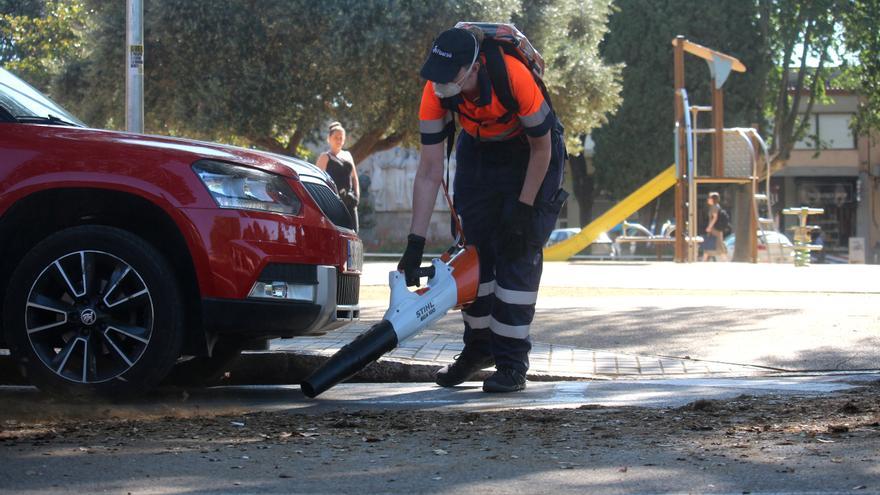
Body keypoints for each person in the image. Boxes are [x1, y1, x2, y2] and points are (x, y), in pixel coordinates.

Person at [397, 26, 567, 393]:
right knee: (474, 255)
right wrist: (415, 242)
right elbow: (429, 171)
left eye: (449, 78)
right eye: (436, 78)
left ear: (473, 68)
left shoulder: (513, 76)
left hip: (531, 155)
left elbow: (543, 150)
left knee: (516, 252)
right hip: (479, 152)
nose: (441, 85)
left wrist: (523, 208)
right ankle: (479, 350)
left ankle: (511, 364)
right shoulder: (436, 89)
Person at [315, 122, 360, 231]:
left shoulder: (348, 155)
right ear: (329, 138)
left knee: (353, 233)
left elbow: (354, 178)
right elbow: (317, 180)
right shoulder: (324, 157)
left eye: (341, 138)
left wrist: (357, 198)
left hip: (350, 201)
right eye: (336, 137)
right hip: (333, 203)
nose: (339, 140)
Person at [703, 191, 728, 262]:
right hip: (714, 229)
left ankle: (725, 261)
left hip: (715, 230)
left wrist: (709, 227)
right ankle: (704, 260)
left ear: (713, 199)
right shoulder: (715, 206)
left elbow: (715, 218)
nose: (708, 199)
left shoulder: (714, 207)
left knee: (718, 245)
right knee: (709, 245)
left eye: (709, 198)